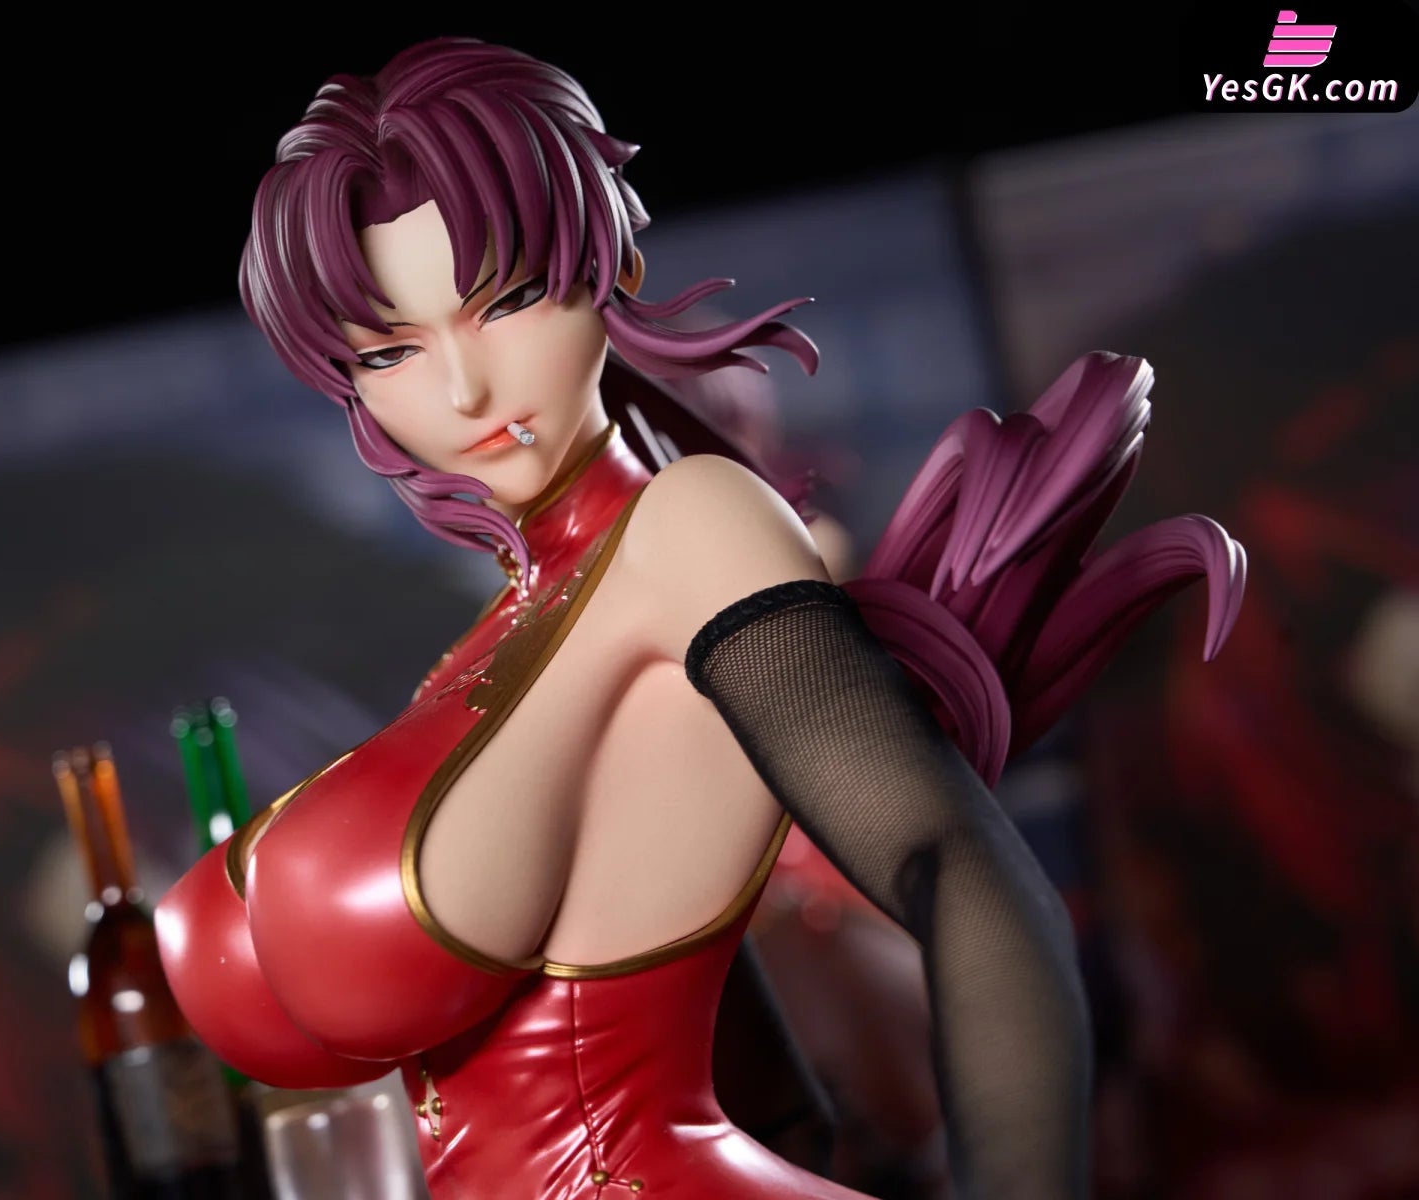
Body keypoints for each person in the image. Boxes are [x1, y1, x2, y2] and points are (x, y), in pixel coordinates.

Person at [156, 37, 1246, 1199]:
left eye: (506, 300)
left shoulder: (685, 523)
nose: (465, 391)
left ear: (609, 261)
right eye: (392, 351)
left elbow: (958, 868)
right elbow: (745, 1054)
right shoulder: (506, 632)